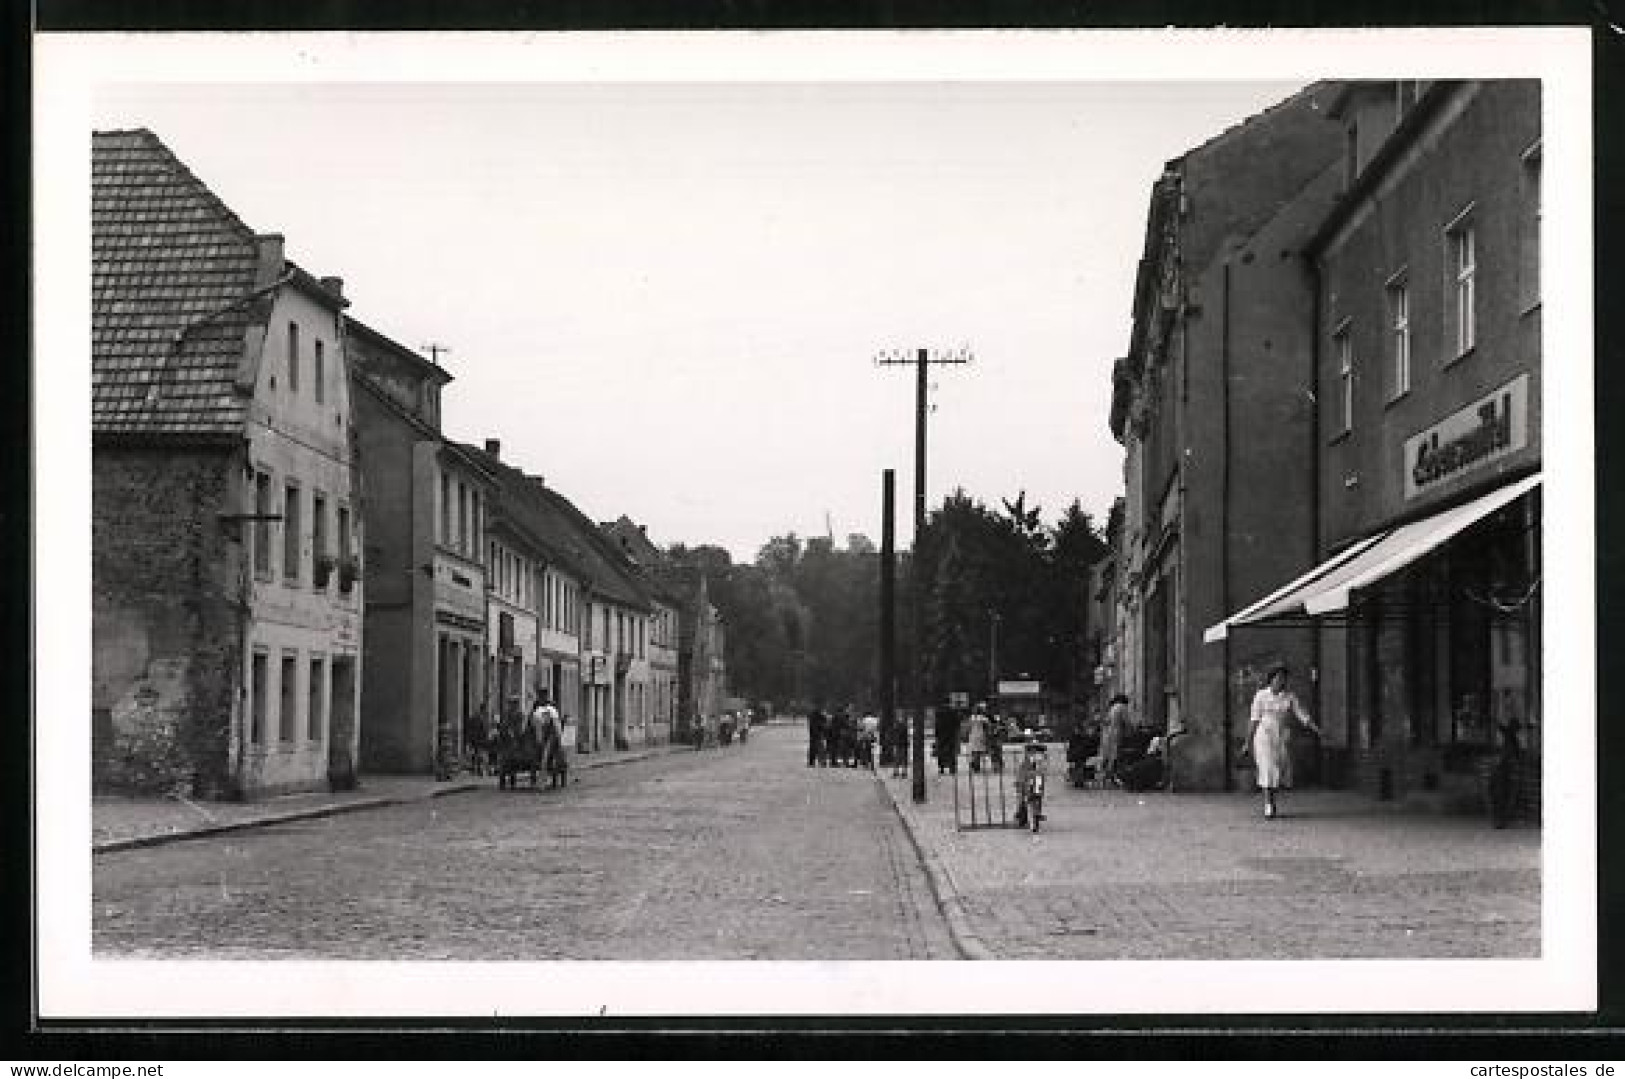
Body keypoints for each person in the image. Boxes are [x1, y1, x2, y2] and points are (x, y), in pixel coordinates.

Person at [1245, 663, 1321, 819]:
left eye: (1283, 678)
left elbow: (1302, 714)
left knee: (1278, 768)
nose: (1280, 681)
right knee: (1267, 766)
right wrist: (1248, 741)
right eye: (1277, 678)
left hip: (1280, 735)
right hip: (1264, 734)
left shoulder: (1289, 697)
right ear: (1271, 680)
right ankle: (1268, 804)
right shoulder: (1261, 696)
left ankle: (1272, 798)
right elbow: (1254, 719)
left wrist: (1317, 729)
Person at [1099, 694, 1131, 787]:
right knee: (1116, 755)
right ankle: (1114, 776)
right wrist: (1132, 730)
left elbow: (1106, 721)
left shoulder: (1112, 708)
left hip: (1108, 734)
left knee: (1110, 755)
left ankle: (1107, 777)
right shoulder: (1122, 707)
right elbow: (1127, 722)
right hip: (1117, 734)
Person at [934, 707, 961, 775]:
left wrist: (936, 735)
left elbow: (937, 725)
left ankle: (942, 767)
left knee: (942, 752)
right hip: (951, 734)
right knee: (951, 751)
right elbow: (957, 724)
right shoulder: (953, 712)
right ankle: (952, 767)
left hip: (942, 735)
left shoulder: (939, 712)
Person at [965, 702, 991, 773]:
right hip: (981, 735)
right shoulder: (983, 718)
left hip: (972, 735)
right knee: (979, 751)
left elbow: (967, 727)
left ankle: (974, 764)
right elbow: (988, 726)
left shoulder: (971, 718)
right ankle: (976, 765)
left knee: (974, 751)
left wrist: (967, 734)